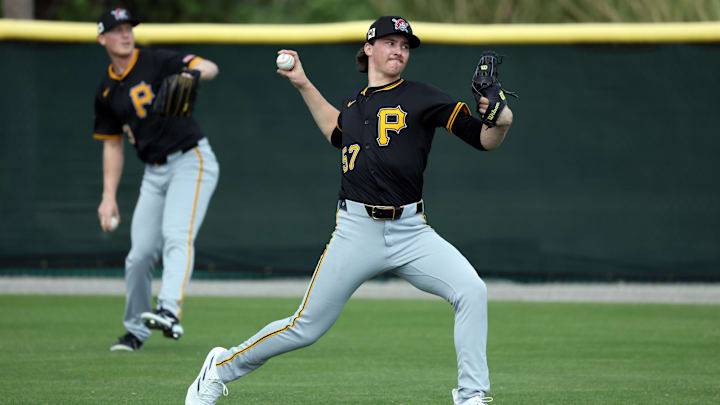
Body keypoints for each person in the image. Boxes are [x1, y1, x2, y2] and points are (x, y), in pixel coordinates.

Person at [185, 16, 512, 405]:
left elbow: (483, 138)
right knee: (305, 327)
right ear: (369, 48)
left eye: (406, 46)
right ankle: (219, 368)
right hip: (356, 230)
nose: (399, 50)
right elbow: (334, 130)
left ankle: (472, 396)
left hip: (411, 230)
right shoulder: (354, 106)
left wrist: (501, 118)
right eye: (391, 42)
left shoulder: (423, 96)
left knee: (471, 291)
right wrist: (302, 82)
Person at [93, 8, 220, 352]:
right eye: (116, 30)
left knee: (176, 235)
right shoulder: (107, 91)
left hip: (191, 160)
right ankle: (135, 331)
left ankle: (168, 310)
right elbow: (112, 146)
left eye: (129, 28)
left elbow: (210, 66)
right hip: (154, 171)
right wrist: (108, 196)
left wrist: (193, 74)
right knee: (139, 256)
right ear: (102, 38)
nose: (125, 34)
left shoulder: (157, 61)